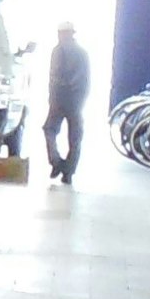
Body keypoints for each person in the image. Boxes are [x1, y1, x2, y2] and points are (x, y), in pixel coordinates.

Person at [43, 22, 91, 184]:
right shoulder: (82, 53)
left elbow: (53, 76)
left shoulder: (57, 51)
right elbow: (85, 80)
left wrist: (52, 96)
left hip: (60, 98)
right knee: (75, 137)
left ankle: (56, 162)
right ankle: (68, 171)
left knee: (49, 129)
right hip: (75, 100)